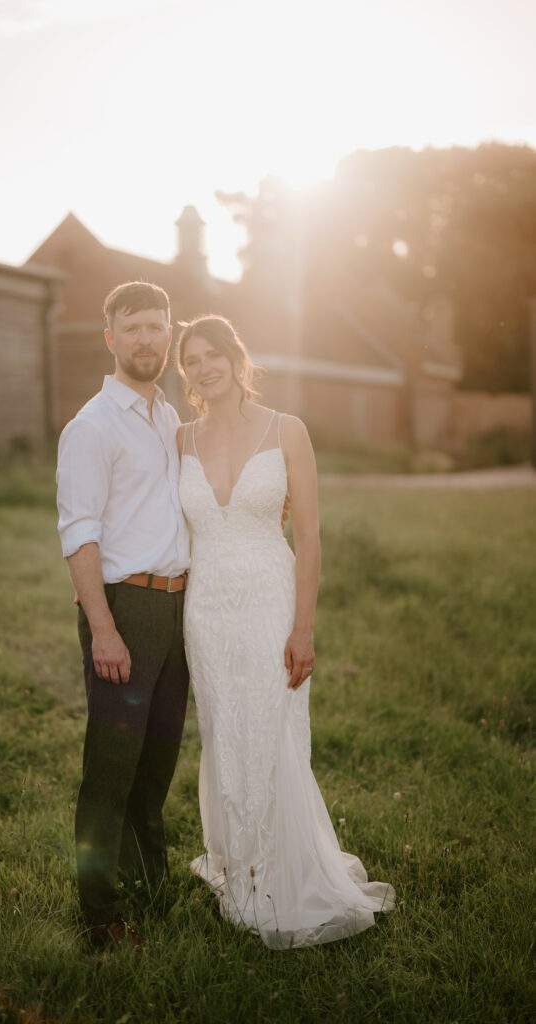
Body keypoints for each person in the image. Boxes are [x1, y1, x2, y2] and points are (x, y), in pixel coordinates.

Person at [176, 314, 395, 949]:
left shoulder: (286, 430)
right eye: (190, 360)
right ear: (184, 374)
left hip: (271, 602)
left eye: (212, 354)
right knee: (224, 734)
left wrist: (304, 626)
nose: (202, 367)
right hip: (208, 608)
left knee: (272, 731)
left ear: (235, 357)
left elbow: (309, 536)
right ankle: (241, 867)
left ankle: (285, 873)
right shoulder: (181, 440)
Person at [56, 281, 190, 949]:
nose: (145, 339)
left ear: (170, 335)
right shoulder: (91, 427)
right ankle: (100, 915)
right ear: (110, 338)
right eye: (132, 328)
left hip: (177, 607)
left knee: (156, 760)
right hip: (125, 607)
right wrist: (103, 627)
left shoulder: (167, 416)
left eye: (156, 327)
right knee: (111, 765)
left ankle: (152, 887)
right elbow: (77, 533)